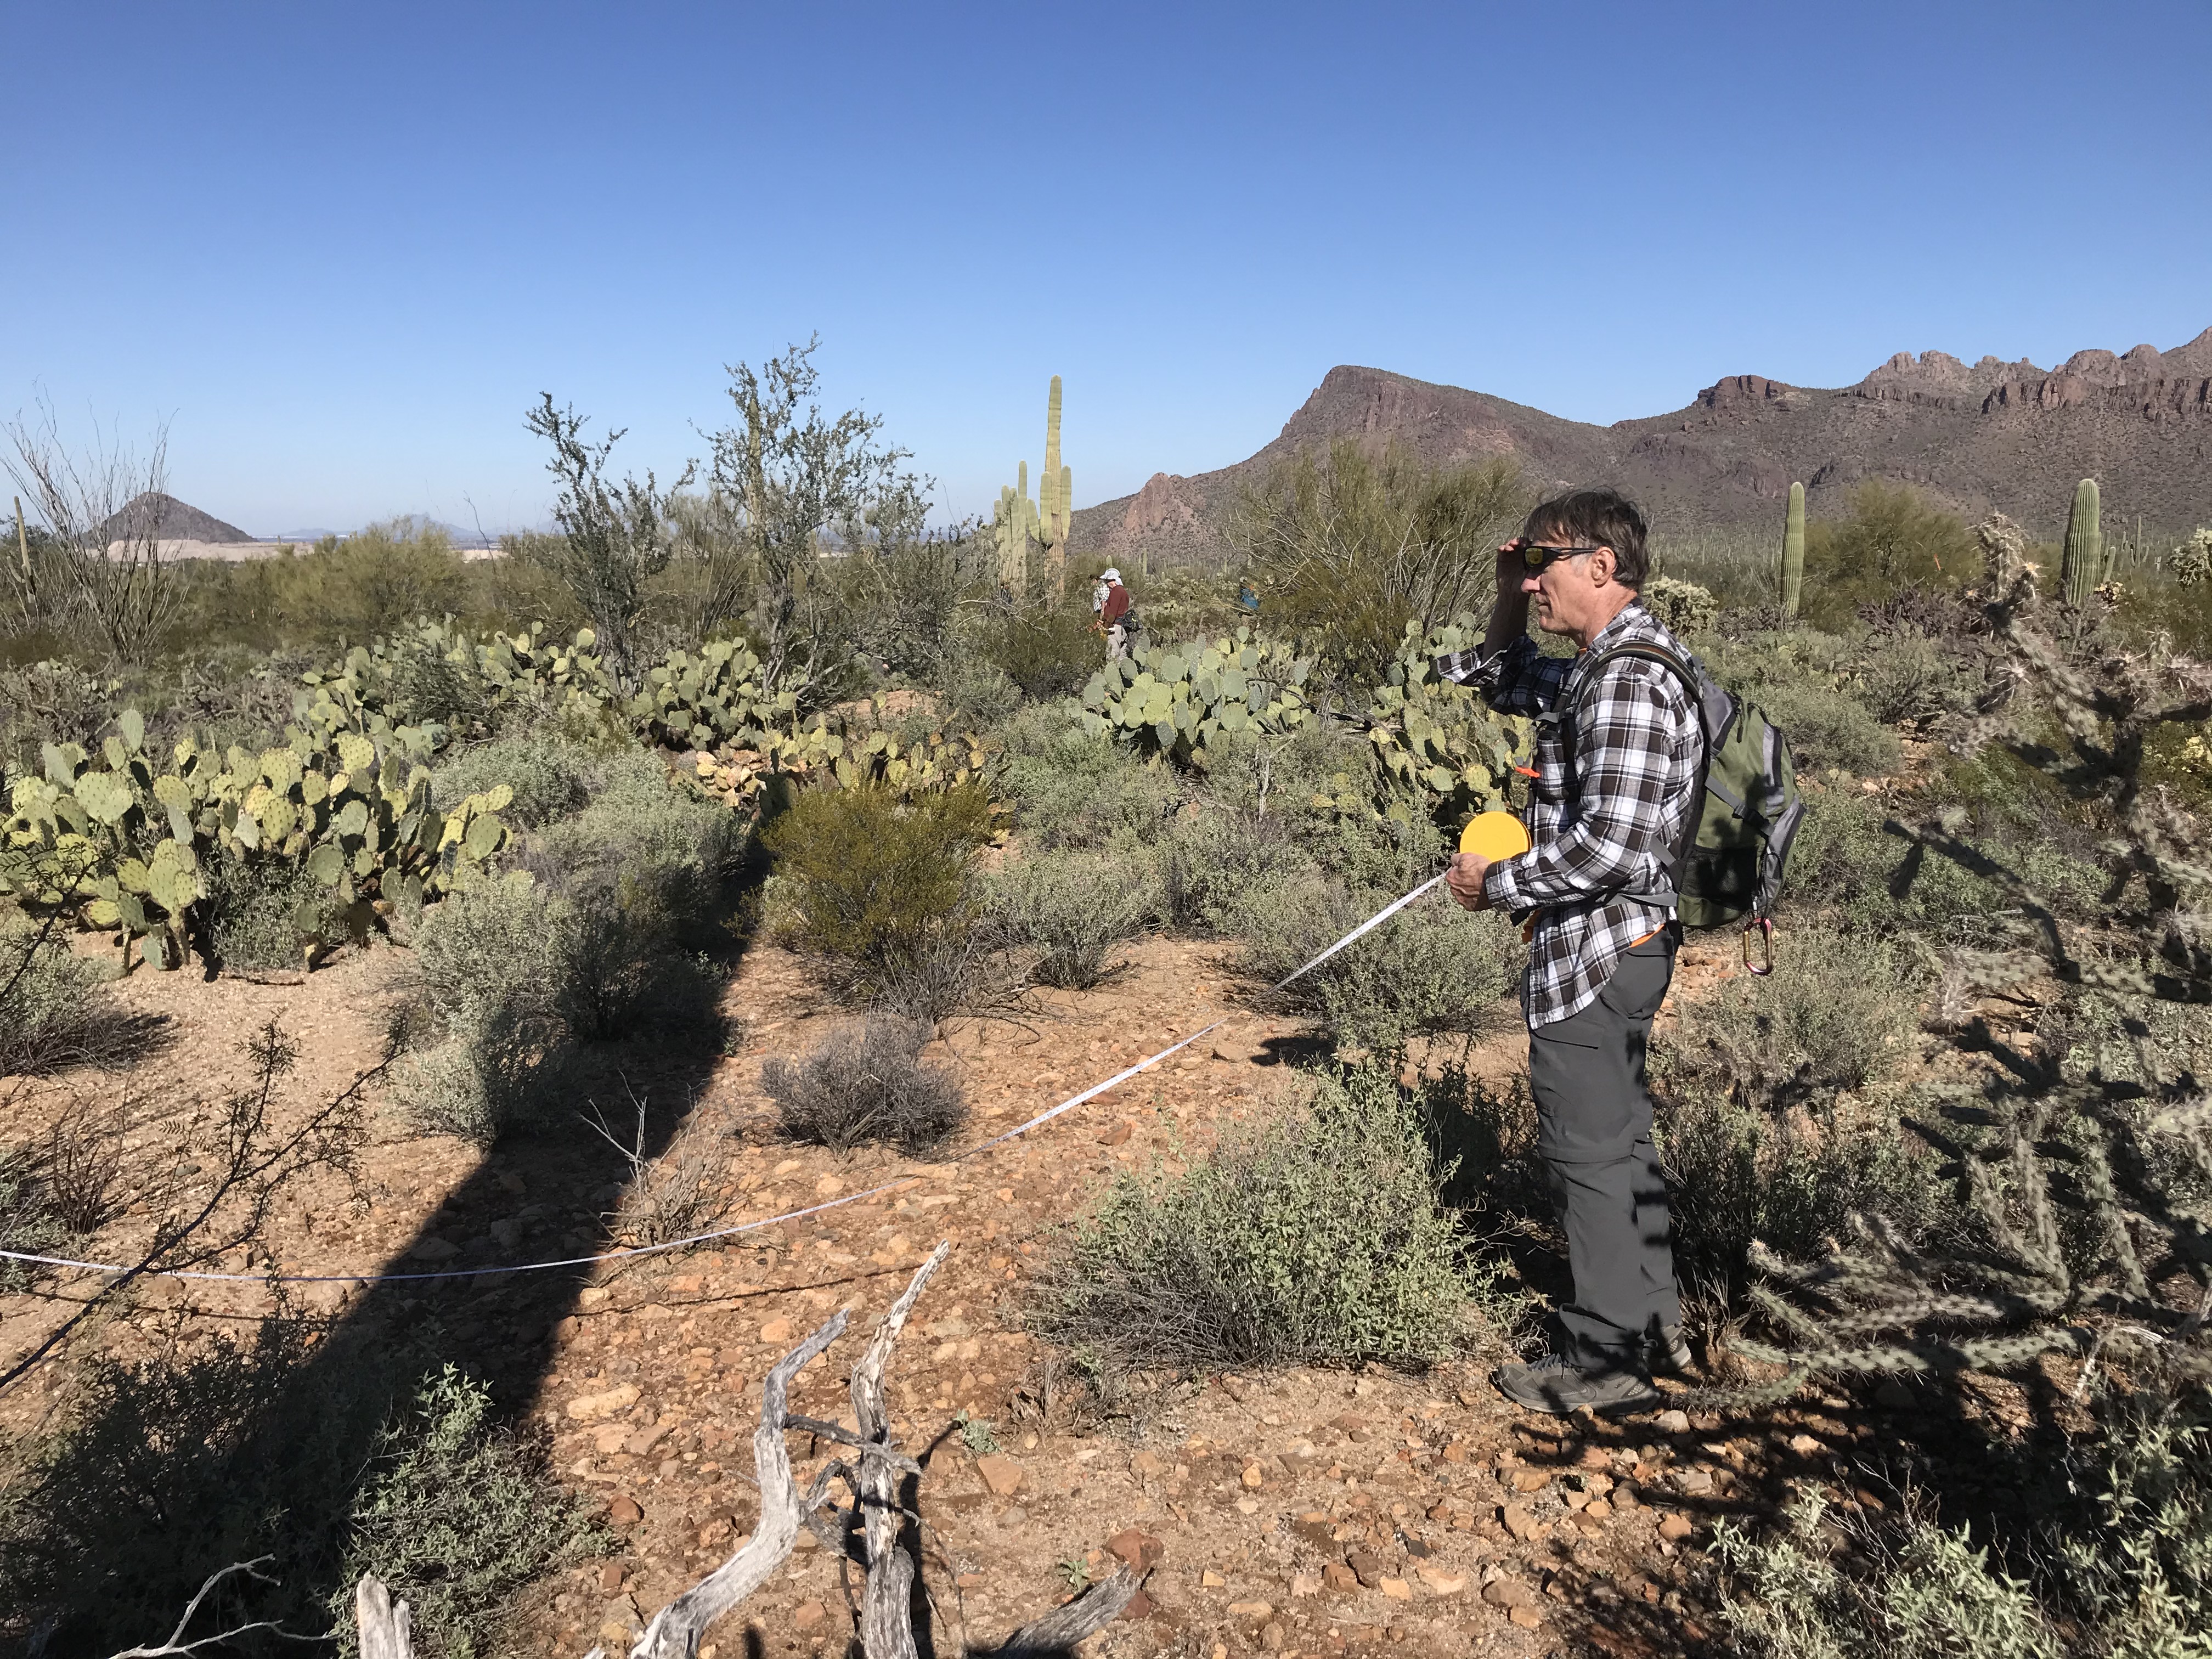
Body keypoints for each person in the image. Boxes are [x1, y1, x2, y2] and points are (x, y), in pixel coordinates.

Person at [1440, 488, 1700, 1414]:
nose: (1536, 575)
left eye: (1547, 561)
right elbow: (1485, 675)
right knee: (1619, 1140)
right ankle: (1648, 1325)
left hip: (1601, 947)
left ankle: (1609, 1359)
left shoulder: (1628, 678)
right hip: (1614, 943)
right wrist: (1509, 589)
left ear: (1602, 565)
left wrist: (1493, 885)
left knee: (1590, 1151)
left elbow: (1609, 849)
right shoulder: (1596, 665)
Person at [1096, 566, 1135, 659]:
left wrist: (1105, 624)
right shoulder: (1124, 592)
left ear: (1111, 580)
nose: (1106, 583)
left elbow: (1112, 612)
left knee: (1113, 655)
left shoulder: (1116, 591)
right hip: (1123, 627)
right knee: (1122, 655)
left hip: (1115, 627)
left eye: (1107, 581)